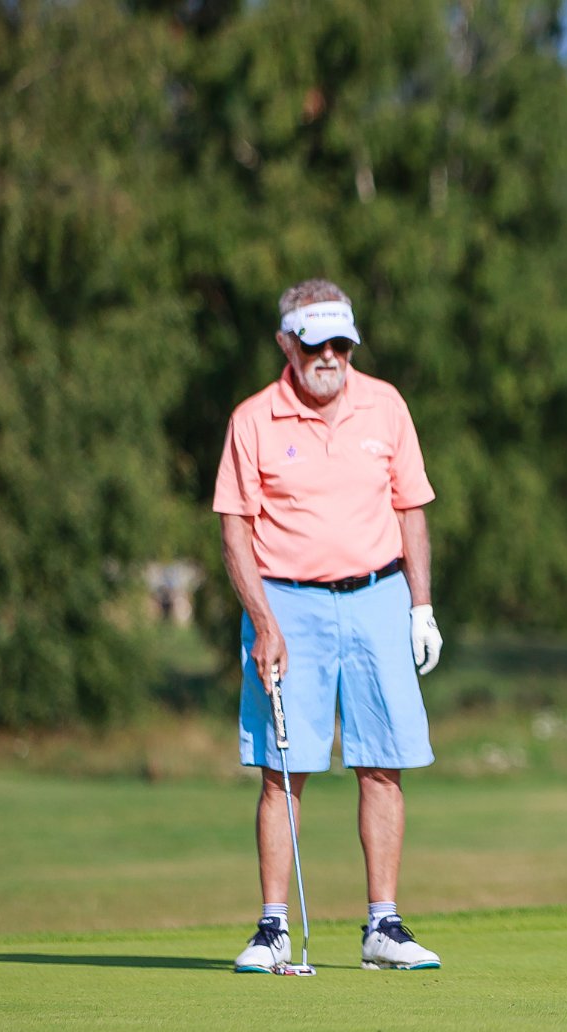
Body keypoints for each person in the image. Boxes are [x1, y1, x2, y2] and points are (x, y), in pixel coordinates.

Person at [215, 279, 446, 973]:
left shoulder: (386, 404)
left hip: (379, 596)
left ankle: (384, 926)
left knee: (383, 762)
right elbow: (236, 532)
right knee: (283, 769)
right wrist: (264, 623)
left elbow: (411, 509)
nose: (332, 358)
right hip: (289, 603)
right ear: (287, 343)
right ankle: (272, 929)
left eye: (342, 343)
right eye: (317, 344)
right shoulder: (254, 419)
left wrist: (421, 606)